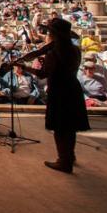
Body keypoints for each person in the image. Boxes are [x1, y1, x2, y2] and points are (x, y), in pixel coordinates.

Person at [13, 18, 89, 173]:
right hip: (73, 88)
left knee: (60, 127)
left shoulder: (53, 53)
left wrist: (25, 68)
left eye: (48, 32)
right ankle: (70, 155)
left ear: (53, 35)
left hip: (59, 91)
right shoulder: (74, 50)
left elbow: (42, 74)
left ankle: (63, 161)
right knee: (70, 126)